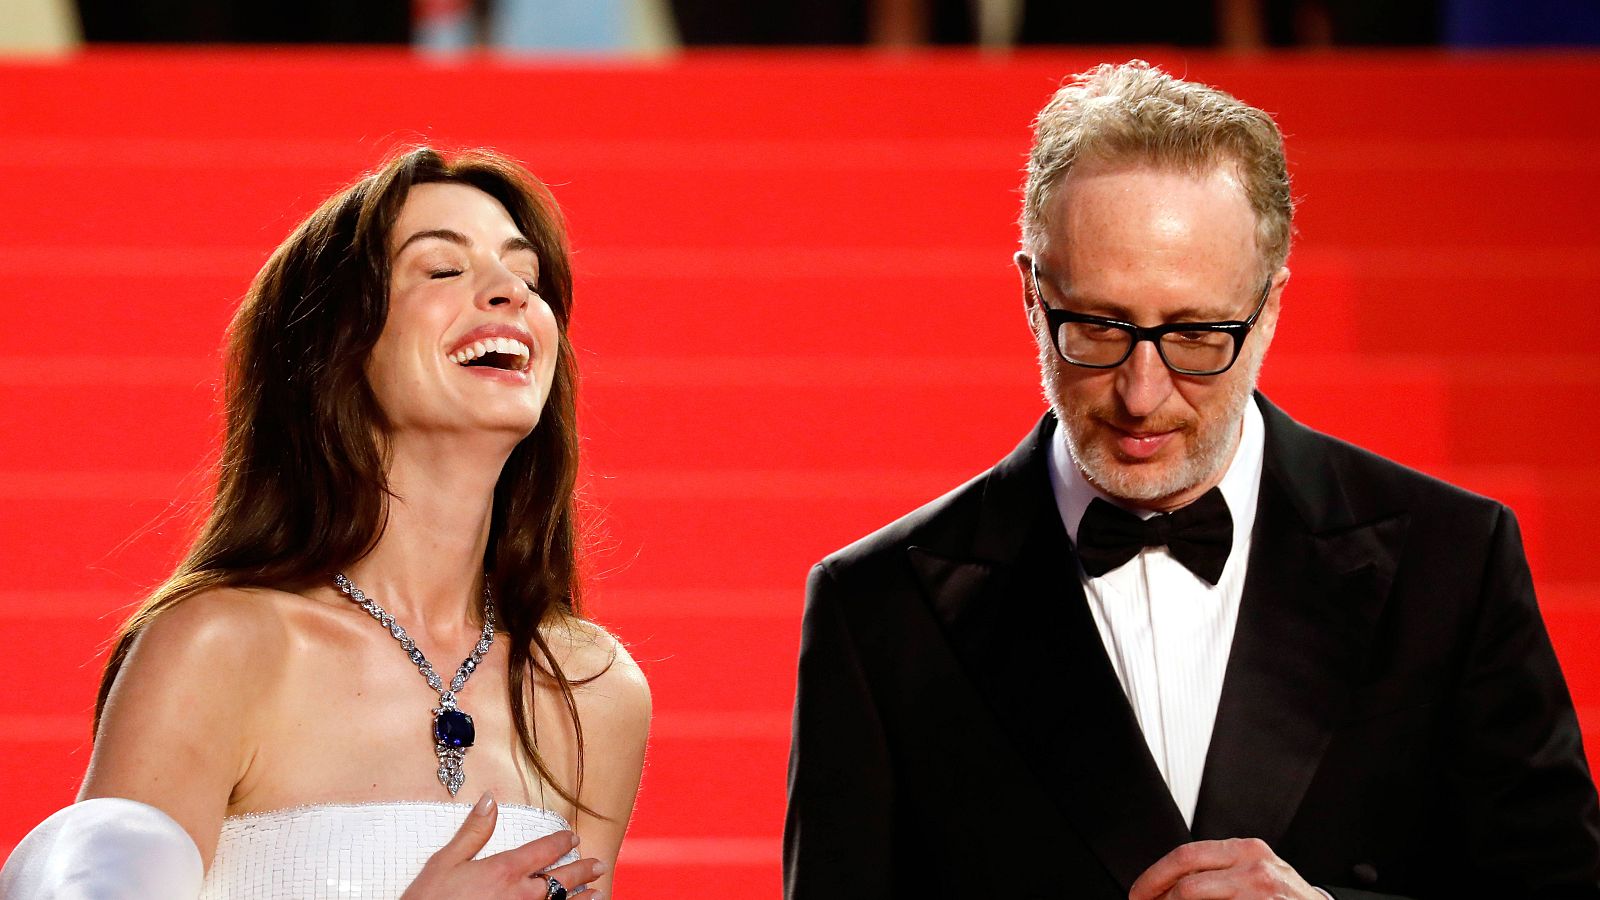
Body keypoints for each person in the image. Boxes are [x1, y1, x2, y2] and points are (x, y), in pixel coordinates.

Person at [784, 61, 1600, 898]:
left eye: (1196, 334)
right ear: (1031, 294)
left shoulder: (1451, 562)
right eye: (1098, 327)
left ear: (1269, 306)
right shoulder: (877, 607)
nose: (1142, 395)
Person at [0, 147, 650, 899]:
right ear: (336, 348)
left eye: (528, 278)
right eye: (442, 269)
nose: (511, 293)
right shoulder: (219, 646)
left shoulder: (593, 688)